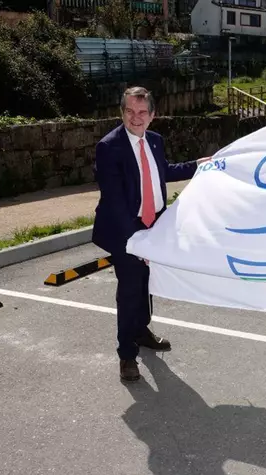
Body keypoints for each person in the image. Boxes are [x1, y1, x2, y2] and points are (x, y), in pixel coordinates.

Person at [92, 86, 211, 382]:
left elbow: (163, 172)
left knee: (147, 283)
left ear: (153, 115)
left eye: (142, 112)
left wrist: (198, 166)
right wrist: (139, 241)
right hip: (125, 231)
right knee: (130, 290)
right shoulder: (109, 147)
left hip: (153, 226)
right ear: (122, 113)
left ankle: (141, 331)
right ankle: (126, 355)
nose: (136, 117)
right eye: (130, 111)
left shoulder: (155, 141)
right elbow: (114, 201)